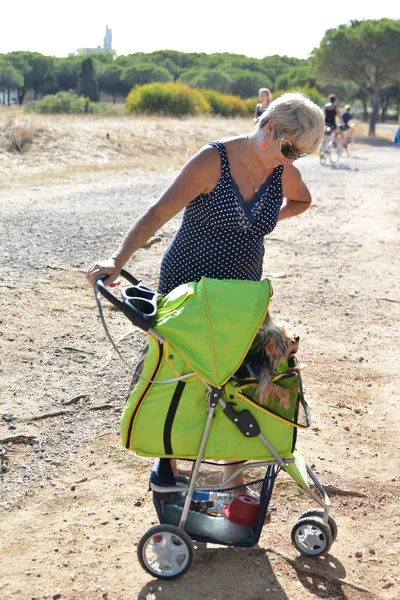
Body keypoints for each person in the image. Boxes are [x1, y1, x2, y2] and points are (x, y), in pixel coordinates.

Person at [86, 91, 325, 490]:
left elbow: (302, 200)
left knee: (235, 375)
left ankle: (235, 478)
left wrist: (266, 221)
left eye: (298, 155)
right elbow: (158, 212)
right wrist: (117, 260)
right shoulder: (213, 161)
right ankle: (168, 467)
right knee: (178, 370)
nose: (290, 160)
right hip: (189, 283)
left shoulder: (283, 172)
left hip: (242, 291)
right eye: (288, 148)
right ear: (269, 128)